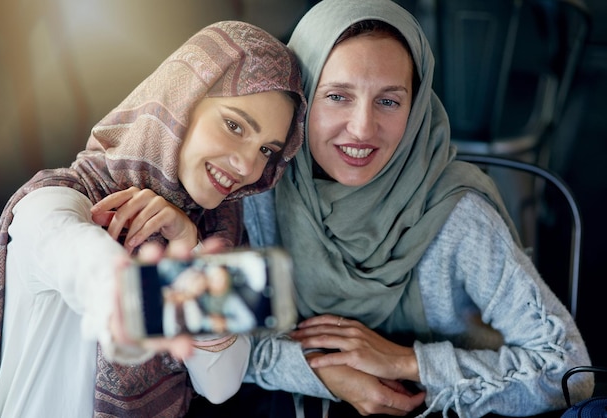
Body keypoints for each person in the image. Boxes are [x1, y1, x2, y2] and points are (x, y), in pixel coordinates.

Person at [236, 1, 595, 417]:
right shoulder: (263, 193)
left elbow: (569, 372)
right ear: (302, 98)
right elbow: (221, 348)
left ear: (418, 105)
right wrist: (324, 374)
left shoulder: (458, 215)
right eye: (337, 96)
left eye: (389, 102)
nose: (362, 128)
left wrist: (406, 361)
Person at [0, 20, 305, 418]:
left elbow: (222, 385)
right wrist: (131, 300)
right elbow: (85, 263)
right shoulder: (55, 201)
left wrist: (189, 246)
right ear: (180, 102)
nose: (246, 165)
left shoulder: (217, 232)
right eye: (234, 125)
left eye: (267, 151)